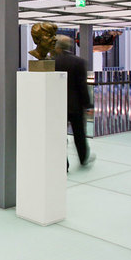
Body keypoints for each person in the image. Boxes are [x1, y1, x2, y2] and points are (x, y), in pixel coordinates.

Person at [53, 35, 95, 172]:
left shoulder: (53, 62)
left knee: (60, 136)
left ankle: (63, 164)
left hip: (59, 105)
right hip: (76, 105)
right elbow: (82, 86)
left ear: (58, 47)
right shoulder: (79, 62)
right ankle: (83, 158)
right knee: (79, 134)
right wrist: (87, 104)